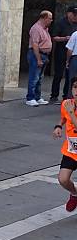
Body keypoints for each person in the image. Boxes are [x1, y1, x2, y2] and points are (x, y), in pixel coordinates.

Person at [52, 76, 77, 212]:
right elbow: (63, 117)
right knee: (63, 179)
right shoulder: (67, 104)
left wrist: (72, 112)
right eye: (75, 87)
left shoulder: (70, 108)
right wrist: (58, 126)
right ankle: (74, 193)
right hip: (71, 151)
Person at [50, 6, 77, 104]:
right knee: (58, 74)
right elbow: (54, 37)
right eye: (74, 14)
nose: (75, 16)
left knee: (70, 76)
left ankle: (66, 96)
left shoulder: (75, 25)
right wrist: (65, 38)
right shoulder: (60, 23)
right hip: (61, 52)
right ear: (68, 13)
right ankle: (54, 95)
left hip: (72, 54)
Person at [26, 10, 53, 106]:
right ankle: (30, 97)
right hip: (36, 54)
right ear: (44, 18)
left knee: (40, 78)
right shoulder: (36, 29)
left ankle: (37, 97)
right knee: (34, 77)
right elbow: (35, 45)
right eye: (50, 18)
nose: (51, 20)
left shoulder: (45, 28)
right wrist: (38, 59)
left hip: (44, 55)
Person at [66, 31, 77, 98]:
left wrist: (67, 61)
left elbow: (70, 49)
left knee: (72, 81)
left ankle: (71, 100)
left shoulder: (75, 34)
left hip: (75, 58)